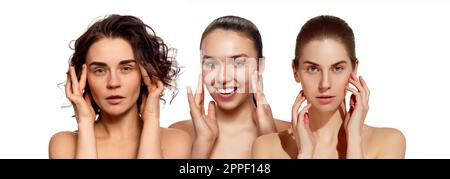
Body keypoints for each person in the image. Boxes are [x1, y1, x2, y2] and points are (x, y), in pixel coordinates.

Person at [252, 15, 406, 159]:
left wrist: (354, 140)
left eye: (337, 68)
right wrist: (305, 153)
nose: (325, 84)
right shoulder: (267, 148)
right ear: (295, 71)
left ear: (354, 69)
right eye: (313, 69)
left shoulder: (389, 142)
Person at [49, 14, 191, 159]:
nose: (113, 83)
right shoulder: (64, 144)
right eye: (100, 71)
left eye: (126, 68)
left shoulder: (176, 142)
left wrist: (152, 121)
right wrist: (85, 125)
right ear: (83, 79)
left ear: (145, 74)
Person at [169, 15, 291, 158]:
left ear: (260, 65)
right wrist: (202, 145)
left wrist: (269, 137)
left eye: (238, 63)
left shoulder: (294, 134)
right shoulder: (180, 135)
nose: (222, 78)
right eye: (211, 64)